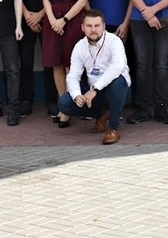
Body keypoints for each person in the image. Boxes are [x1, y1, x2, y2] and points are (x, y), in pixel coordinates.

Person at [56, 10, 132, 145]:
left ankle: (113, 128)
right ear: (82, 27)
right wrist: (76, 95)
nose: (93, 30)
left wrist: (95, 89)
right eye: (89, 26)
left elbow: (117, 67)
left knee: (118, 82)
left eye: (97, 26)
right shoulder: (79, 46)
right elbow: (73, 75)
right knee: (64, 103)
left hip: (118, 91)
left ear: (104, 26)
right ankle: (101, 115)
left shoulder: (114, 41)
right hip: (94, 94)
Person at [43, 0, 91, 120]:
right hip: (52, 19)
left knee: (71, 64)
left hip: (72, 19)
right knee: (56, 63)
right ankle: (63, 106)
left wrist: (63, 20)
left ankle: (71, 105)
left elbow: (82, 1)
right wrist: (52, 20)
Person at [16, 0, 53, 117]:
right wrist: (28, 17)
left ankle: (52, 101)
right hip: (26, 21)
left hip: (48, 20)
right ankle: (25, 101)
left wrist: (40, 15)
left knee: (50, 62)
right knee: (26, 62)